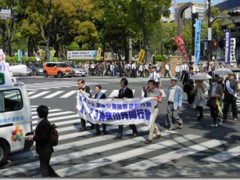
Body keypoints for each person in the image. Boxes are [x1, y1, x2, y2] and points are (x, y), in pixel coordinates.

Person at [28, 105, 59, 177]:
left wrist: (34, 138)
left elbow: (43, 137)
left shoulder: (44, 123)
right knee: (46, 165)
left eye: (37, 112)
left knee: (43, 167)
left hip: (44, 150)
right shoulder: (44, 121)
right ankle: (56, 176)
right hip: (45, 149)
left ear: (39, 113)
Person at [143, 80, 162, 144]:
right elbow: (146, 97)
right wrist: (145, 91)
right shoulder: (148, 90)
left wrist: (157, 98)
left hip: (154, 109)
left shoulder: (157, 91)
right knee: (152, 122)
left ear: (154, 85)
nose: (149, 85)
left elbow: (160, 97)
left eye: (150, 84)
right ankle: (158, 133)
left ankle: (149, 138)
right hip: (149, 108)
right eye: (148, 84)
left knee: (151, 123)